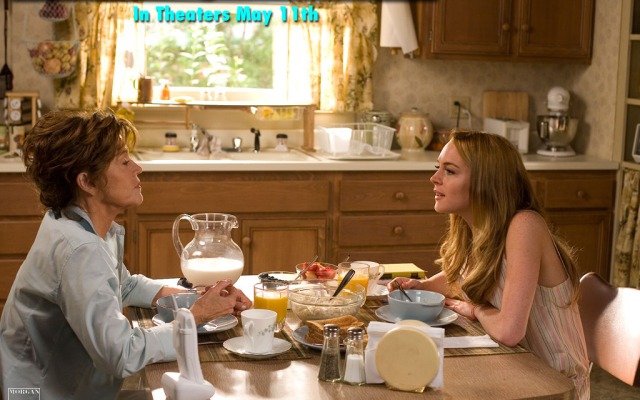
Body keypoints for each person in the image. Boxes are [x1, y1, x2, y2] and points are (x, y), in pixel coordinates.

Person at [0, 110, 252, 399]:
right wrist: (197, 315)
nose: (138, 168)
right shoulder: (81, 251)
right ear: (87, 182)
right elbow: (122, 355)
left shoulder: (74, 222)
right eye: (124, 161)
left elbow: (123, 284)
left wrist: (195, 299)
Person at [388, 130, 590, 399]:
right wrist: (423, 286)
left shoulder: (524, 226)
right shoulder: (476, 225)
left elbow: (509, 331)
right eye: (438, 168)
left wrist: (475, 309)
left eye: (450, 171)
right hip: (512, 370)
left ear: (486, 181)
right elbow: (464, 275)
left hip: (553, 387)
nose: (434, 178)